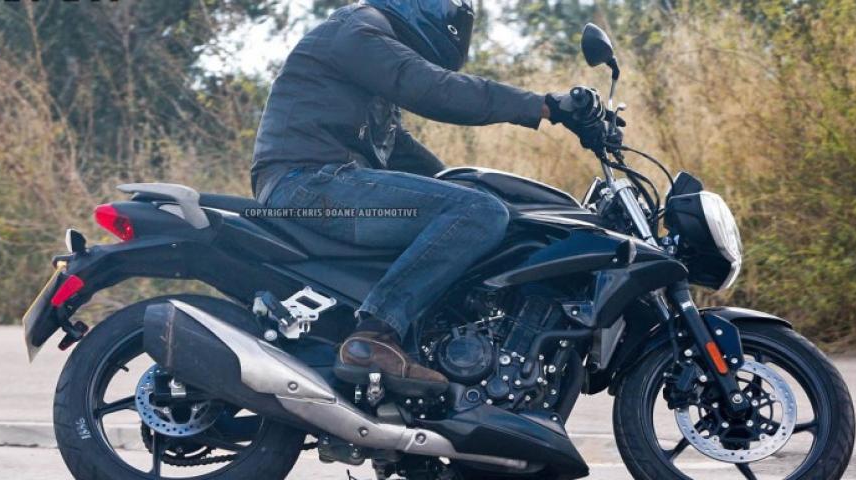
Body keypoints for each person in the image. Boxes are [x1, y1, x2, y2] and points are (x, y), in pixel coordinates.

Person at [251, 0, 608, 394]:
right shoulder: (358, 29)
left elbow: (397, 147)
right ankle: (374, 335)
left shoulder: (366, 48)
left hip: (321, 182)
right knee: (479, 212)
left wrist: (465, 185)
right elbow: (433, 89)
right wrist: (544, 105)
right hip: (306, 183)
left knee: (477, 207)